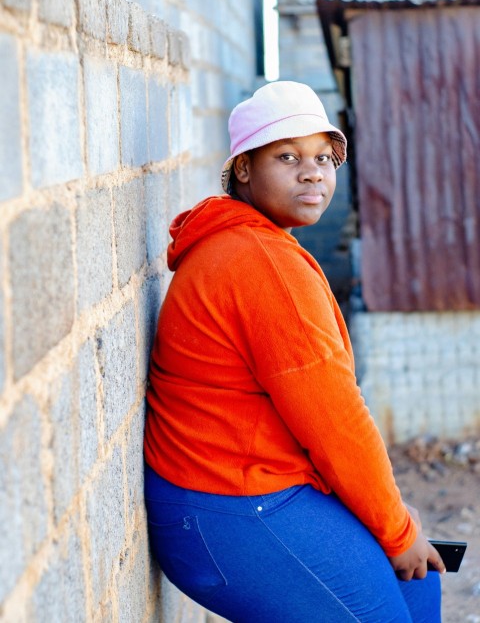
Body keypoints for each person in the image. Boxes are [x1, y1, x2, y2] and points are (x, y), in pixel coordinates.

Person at [143, 81, 445, 622]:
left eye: (324, 158)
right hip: (227, 506)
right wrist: (396, 530)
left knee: (418, 587)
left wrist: (391, 517)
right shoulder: (263, 264)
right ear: (243, 168)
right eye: (288, 157)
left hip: (236, 491)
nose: (313, 173)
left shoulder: (248, 241)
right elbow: (334, 420)